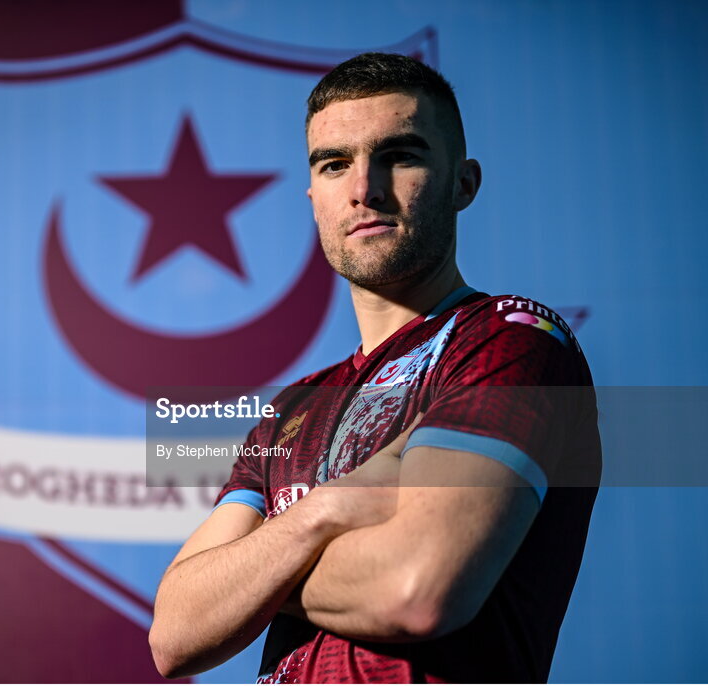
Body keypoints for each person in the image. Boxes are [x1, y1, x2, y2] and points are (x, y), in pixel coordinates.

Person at [148, 52, 600, 683]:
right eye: (335, 164)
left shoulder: (510, 339)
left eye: (401, 156)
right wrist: (326, 512)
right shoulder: (293, 409)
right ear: (313, 197)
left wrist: (253, 574)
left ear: (463, 183)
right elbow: (174, 631)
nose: (364, 189)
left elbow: (416, 588)